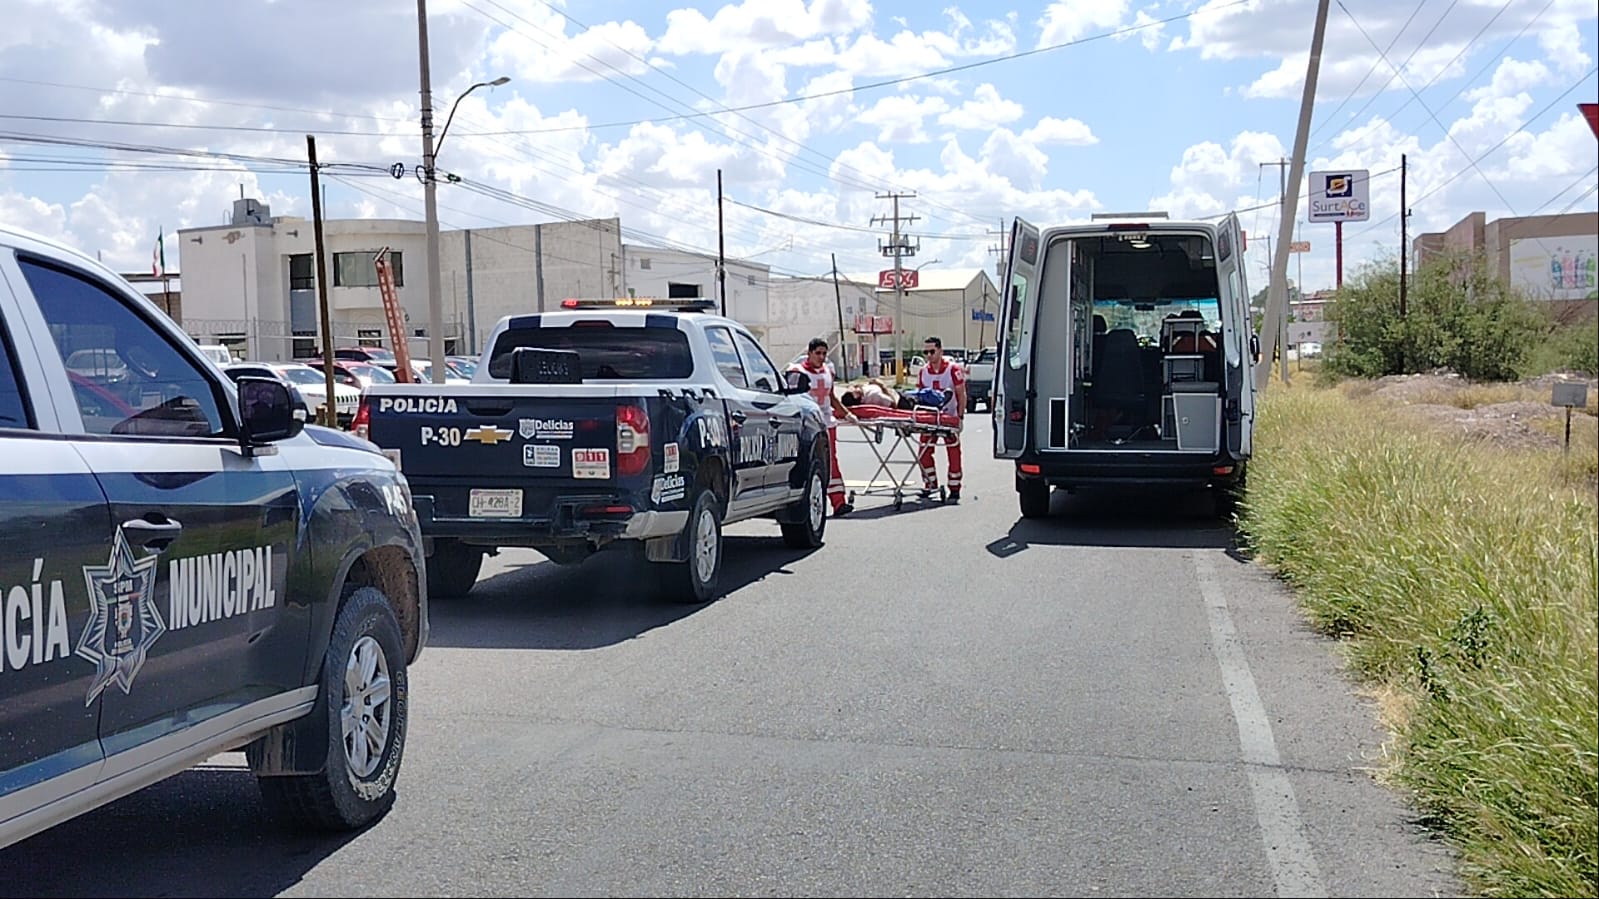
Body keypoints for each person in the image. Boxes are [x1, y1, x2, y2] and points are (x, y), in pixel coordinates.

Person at [786, 337, 855, 517]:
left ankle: (839, 502)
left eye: (824, 353)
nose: (822, 357)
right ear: (809, 353)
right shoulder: (797, 371)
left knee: (831, 461)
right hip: (806, 425)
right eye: (818, 353)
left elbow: (832, 397)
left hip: (826, 423)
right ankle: (801, 505)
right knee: (804, 463)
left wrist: (847, 414)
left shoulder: (829, 371)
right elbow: (791, 398)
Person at [914, 336, 966, 501]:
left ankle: (955, 487)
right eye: (926, 352)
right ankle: (930, 484)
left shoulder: (953, 369)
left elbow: (961, 393)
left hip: (948, 418)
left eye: (932, 351)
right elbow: (919, 395)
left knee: (953, 451)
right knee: (923, 451)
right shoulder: (923, 372)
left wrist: (960, 416)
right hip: (929, 419)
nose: (929, 355)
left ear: (940, 351)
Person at [840, 378, 908, 410]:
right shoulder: (874, 396)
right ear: (857, 396)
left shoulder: (863, 390)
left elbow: (873, 381)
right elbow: (893, 403)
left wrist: (874, 382)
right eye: (853, 390)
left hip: (897, 393)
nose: (852, 387)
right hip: (900, 400)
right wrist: (884, 388)